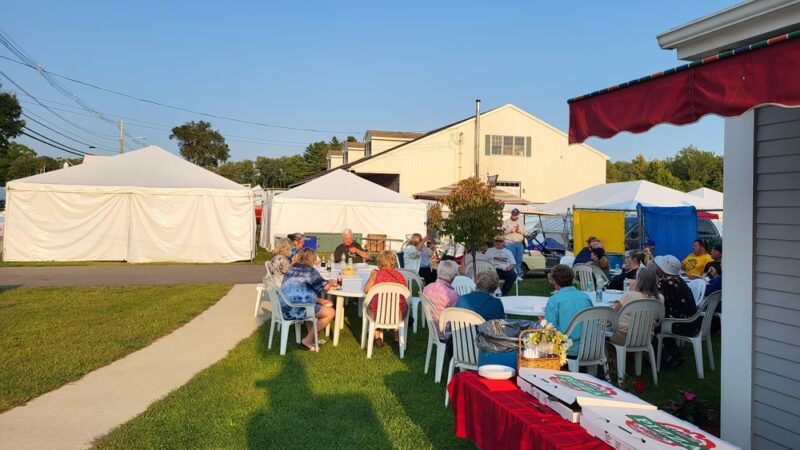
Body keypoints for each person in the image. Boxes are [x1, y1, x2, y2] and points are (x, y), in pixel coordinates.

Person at [280, 248, 337, 351]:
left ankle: (312, 338)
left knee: (312, 306)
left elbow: (303, 292)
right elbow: (326, 287)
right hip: (296, 309)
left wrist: (320, 300)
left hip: (285, 306)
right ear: (312, 259)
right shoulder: (309, 270)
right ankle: (307, 341)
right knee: (330, 312)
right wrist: (331, 282)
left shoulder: (292, 268)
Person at [653, 255, 699, 369]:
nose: (656, 267)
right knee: (661, 320)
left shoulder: (664, 283)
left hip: (680, 325)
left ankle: (666, 358)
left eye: (658, 266)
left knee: (649, 326)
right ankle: (675, 352)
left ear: (663, 269)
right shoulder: (679, 280)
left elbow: (653, 300)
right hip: (692, 322)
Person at [544, 265, 593, 357]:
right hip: (590, 346)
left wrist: (543, 321)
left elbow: (550, 330)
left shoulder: (554, 300)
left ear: (554, 281)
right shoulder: (585, 297)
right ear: (572, 279)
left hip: (566, 349)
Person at [363, 250, 408, 348]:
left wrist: (371, 276)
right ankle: (397, 338)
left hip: (379, 312)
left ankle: (377, 337)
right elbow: (405, 292)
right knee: (396, 307)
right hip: (397, 313)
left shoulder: (376, 274)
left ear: (379, 262)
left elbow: (366, 290)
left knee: (374, 306)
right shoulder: (400, 275)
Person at [609, 267, 662, 345]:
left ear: (639, 281)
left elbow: (613, 313)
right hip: (647, 338)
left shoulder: (629, 295)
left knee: (603, 330)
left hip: (624, 336)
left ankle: (613, 353)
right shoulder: (660, 299)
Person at [422, 259, 460, 339]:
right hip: (447, 332)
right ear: (453, 277)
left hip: (432, 327)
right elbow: (457, 317)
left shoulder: (427, 288)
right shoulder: (452, 295)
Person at [502, 208, 526, 276]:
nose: (514, 216)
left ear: (518, 215)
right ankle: (511, 275)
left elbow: (524, 232)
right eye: (513, 214)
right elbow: (502, 231)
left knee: (519, 260)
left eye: (515, 215)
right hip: (509, 243)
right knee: (510, 260)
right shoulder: (506, 222)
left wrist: (519, 230)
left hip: (519, 243)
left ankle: (518, 275)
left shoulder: (521, 221)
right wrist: (511, 230)